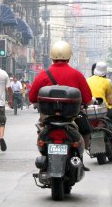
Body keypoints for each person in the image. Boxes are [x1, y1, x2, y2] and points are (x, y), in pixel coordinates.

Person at [29, 41, 92, 170]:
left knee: (41, 132)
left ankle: (45, 156)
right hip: (72, 118)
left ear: (51, 57)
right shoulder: (77, 75)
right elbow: (87, 99)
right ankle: (79, 158)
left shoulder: (43, 75)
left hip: (47, 119)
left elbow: (31, 97)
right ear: (69, 57)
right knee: (85, 129)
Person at [87, 61, 112, 139]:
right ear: (105, 72)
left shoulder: (87, 80)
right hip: (102, 110)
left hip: (88, 110)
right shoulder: (107, 81)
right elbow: (110, 100)